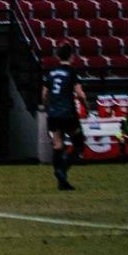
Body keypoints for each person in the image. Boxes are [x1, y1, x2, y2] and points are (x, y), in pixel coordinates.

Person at [41, 44, 85, 191]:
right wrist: (87, 105)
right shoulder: (71, 72)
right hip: (68, 113)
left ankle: (61, 182)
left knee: (58, 145)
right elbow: (80, 94)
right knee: (79, 144)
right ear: (72, 56)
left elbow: (44, 94)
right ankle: (63, 170)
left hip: (53, 114)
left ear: (58, 56)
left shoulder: (51, 72)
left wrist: (48, 108)